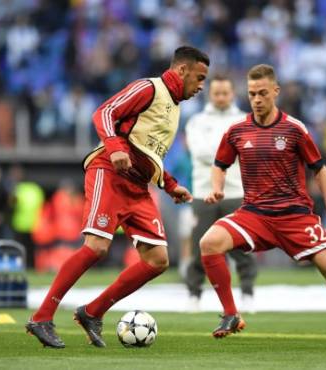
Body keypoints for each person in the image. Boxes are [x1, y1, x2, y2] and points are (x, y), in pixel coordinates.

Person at [25, 46, 209, 348]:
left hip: (137, 188)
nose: (201, 86)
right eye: (199, 78)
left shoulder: (174, 108)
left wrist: (170, 184)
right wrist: (114, 146)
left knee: (158, 260)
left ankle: (92, 312)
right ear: (181, 71)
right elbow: (105, 112)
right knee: (96, 247)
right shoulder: (149, 88)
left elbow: (150, 154)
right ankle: (42, 317)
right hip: (109, 173)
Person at [199, 64, 326, 344]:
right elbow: (220, 164)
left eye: (262, 93)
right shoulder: (237, 131)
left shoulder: (294, 129)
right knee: (209, 243)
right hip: (254, 214)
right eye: (252, 93)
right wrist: (217, 188)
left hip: (295, 216)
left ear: (275, 92)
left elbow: (320, 169)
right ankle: (231, 313)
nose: (256, 99)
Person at [184, 75, 257, 313]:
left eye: (225, 93)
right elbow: (200, 151)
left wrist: (224, 149)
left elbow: (247, 153)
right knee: (199, 247)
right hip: (203, 192)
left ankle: (247, 293)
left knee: (241, 247)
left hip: (236, 192)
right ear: (210, 94)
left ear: (232, 93)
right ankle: (194, 295)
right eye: (217, 93)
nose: (221, 97)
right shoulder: (196, 121)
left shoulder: (244, 120)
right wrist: (230, 148)